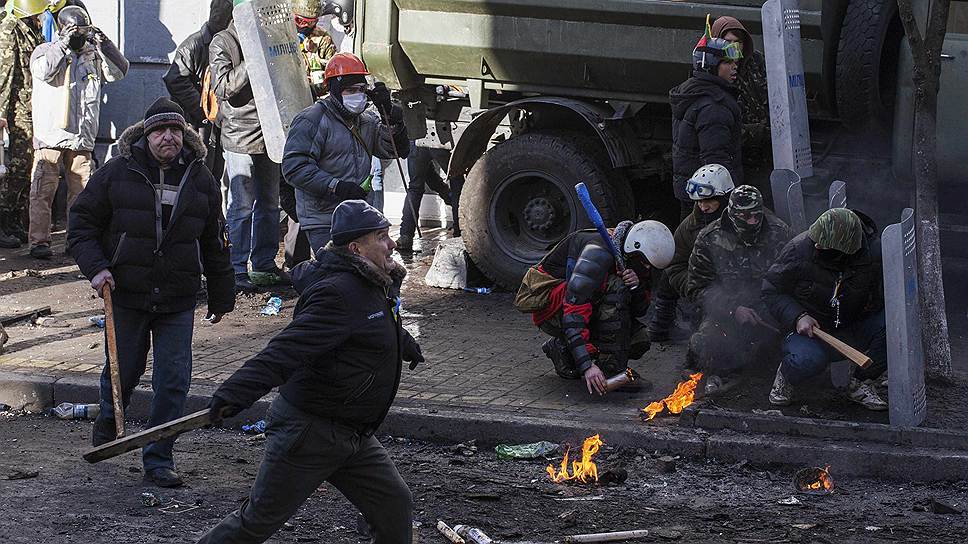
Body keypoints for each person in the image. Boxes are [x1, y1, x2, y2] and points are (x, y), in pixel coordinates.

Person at [199, 200, 423, 544]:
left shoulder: (372, 282)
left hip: (352, 434)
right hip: (310, 433)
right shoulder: (338, 293)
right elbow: (284, 352)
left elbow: (371, 324)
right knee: (257, 521)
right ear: (356, 248)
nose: (391, 244)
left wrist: (402, 343)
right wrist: (234, 393)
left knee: (394, 506)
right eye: (382, 236)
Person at [67, 98, 235, 487]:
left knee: (174, 380)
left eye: (176, 130)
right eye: (160, 130)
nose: (168, 138)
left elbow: (215, 240)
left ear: (185, 135)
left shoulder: (201, 178)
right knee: (123, 371)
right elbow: (82, 225)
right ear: (146, 135)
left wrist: (222, 294)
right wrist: (97, 268)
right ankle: (111, 414)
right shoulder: (116, 172)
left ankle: (159, 457)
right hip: (127, 290)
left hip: (177, 295)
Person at [27, 5, 128, 259]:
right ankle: (39, 241)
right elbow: (42, 71)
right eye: (76, 31)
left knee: (82, 194)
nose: (80, 36)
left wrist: (104, 44)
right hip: (50, 135)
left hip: (82, 137)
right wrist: (63, 44)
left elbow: (120, 71)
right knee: (42, 191)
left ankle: (77, 239)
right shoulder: (46, 51)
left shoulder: (92, 55)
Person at [282, 52, 409, 255]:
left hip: (355, 215)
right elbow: (294, 168)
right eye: (350, 90)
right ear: (334, 90)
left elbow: (394, 150)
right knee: (337, 273)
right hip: (323, 217)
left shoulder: (365, 121)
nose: (357, 95)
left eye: (361, 89)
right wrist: (336, 187)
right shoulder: (312, 120)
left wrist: (391, 118)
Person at [762, 208, 888, 411]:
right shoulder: (798, 250)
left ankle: (861, 383)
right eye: (816, 241)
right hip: (809, 330)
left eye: (824, 245)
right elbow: (771, 291)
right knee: (807, 361)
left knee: (892, 328)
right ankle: (786, 375)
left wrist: (872, 306)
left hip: (852, 324)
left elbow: (888, 295)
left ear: (846, 250)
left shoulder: (873, 255)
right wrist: (798, 316)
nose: (817, 245)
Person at [530, 221, 675, 395]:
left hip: (582, 306)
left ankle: (563, 349)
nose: (646, 268)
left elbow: (639, 311)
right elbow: (574, 312)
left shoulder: (634, 258)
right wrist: (588, 366)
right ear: (634, 249)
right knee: (617, 288)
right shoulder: (597, 254)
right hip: (551, 311)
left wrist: (636, 288)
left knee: (638, 340)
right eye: (644, 263)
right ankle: (609, 370)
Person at [684, 185, 790, 394]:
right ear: (732, 215)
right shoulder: (709, 238)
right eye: (745, 217)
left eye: (756, 215)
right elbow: (696, 289)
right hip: (726, 311)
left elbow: (791, 277)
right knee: (705, 344)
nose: (752, 221)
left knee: (783, 348)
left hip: (768, 306)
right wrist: (733, 308)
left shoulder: (779, 232)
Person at [210, 17, 286, 293]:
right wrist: (253, 58)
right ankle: (237, 266)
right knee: (241, 205)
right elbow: (223, 87)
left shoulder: (271, 36)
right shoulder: (223, 41)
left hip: (270, 131)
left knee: (269, 203)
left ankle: (264, 263)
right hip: (240, 134)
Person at [647, 163, 734, 343]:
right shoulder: (689, 226)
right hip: (706, 287)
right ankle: (662, 325)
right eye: (699, 201)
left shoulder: (743, 219)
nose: (703, 207)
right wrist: (695, 288)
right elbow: (675, 265)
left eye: (709, 200)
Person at [670, 17, 745, 219]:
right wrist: (733, 198)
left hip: (693, 194)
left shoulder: (692, 92)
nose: (734, 67)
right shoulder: (715, 106)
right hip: (710, 200)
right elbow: (716, 162)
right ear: (712, 66)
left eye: (735, 62)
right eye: (728, 63)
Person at [163, 0, 233, 181]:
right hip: (196, 122)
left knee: (213, 174)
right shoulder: (193, 45)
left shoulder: (226, 42)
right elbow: (174, 78)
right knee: (196, 173)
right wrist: (202, 108)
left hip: (216, 121)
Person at [0, 0, 45, 248]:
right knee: (17, 168)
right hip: (18, 110)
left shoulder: (32, 24)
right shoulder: (10, 27)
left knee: (28, 167)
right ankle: (3, 221)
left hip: (33, 107)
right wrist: (1, 113)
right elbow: (4, 73)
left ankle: (15, 218)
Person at [711, 16, 771, 176]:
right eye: (728, 42)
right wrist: (760, 133)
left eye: (739, 43)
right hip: (736, 159)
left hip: (766, 158)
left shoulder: (755, 64)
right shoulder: (711, 71)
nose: (734, 48)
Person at [395, 141, 456, 252]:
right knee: (457, 182)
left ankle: (406, 236)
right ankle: (459, 233)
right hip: (440, 140)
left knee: (415, 187)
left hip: (417, 141)